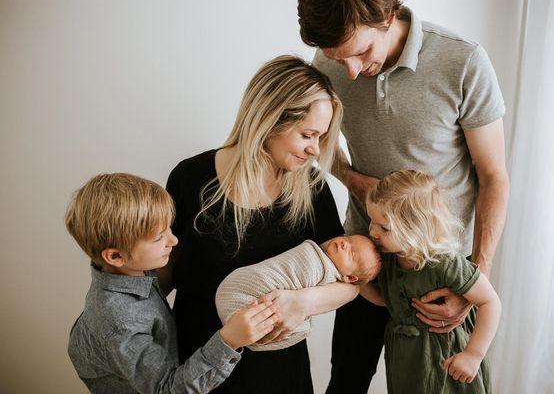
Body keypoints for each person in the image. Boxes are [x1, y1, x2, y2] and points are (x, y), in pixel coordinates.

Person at [297, 0, 510, 391]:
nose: (352, 70)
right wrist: (353, 180)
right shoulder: (329, 61)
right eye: (338, 58)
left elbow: (493, 176)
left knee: (436, 383)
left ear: (389, 16)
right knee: (347, 379)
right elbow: (319, 140)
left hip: (440, 266)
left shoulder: (463, 61)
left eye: (362, 52)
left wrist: (474, 277)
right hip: (364, 254)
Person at [158, 55, 359, 393]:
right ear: (270, 119)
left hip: (278, 373)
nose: (315, 150)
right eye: (308, 134)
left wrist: (303, 303)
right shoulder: (190, 178)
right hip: (199, 367)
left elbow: (352, 283)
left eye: (321, 138)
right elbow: (160, 276)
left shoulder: (312, 189)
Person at [65, 173, 279, 394]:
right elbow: (168, 390)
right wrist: (229, 341)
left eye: (169, 228)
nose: (173, 240)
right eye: (159, 238)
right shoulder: (121, 320)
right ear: (116, 256)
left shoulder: (125, 270)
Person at [362, 170, 501, 393]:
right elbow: (387, 300)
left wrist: (473, 355)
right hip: (408, 360)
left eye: (384, 227)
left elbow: (490, 302)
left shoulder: (444, 264)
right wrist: (359, 284)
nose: (372, 232)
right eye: (372, 220)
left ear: (415, 228)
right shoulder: (389, 260)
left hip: (447, 361)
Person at [216, 235, 381, 351]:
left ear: (350, 277)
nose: (345, 244)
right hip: (237, 290)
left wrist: (303, 302)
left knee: (303, 329)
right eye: (349, 239)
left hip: (242, 328)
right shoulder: (313, 256)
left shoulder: (330, 279)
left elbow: (353, 290)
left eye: (351, 254)